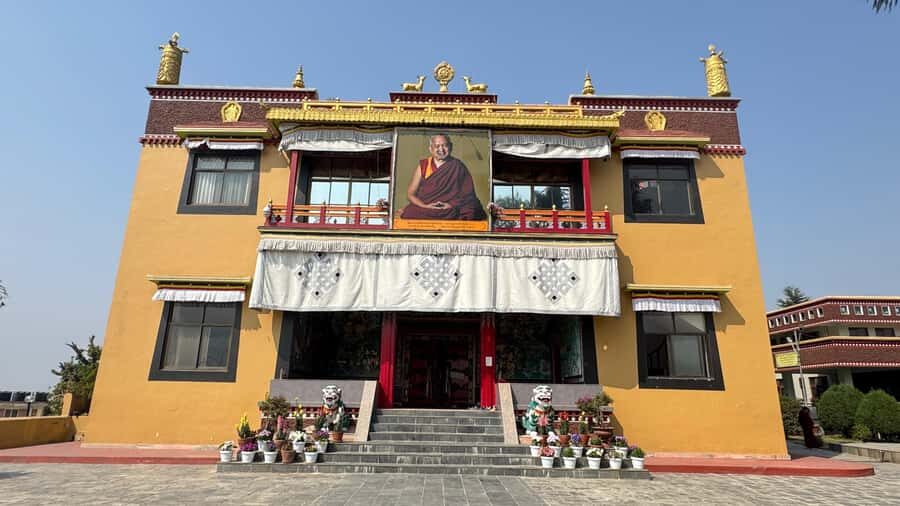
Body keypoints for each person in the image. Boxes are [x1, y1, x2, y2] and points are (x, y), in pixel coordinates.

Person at [399, 133, 487, 220]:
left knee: (470, 211)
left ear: (451, 147)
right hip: (426, 207)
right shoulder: (424, 165)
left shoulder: (458, 166)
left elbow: (468, 194)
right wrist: (425, 206)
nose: (441, 149)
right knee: (410, 212)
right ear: (431, 149)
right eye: (437, 146)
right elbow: (410, 194)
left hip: (451, 208)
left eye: (445, 146)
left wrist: (451, 204)